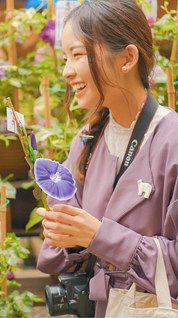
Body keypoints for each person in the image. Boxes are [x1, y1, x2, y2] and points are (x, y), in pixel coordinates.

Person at [36, 0, 178, 317]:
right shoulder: (86, 141)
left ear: (126, 58)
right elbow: (55, 258)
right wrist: (68, 238)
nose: (66, 71)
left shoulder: (172, 141)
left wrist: (99, 236)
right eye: (65, 57)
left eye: (78, 55)